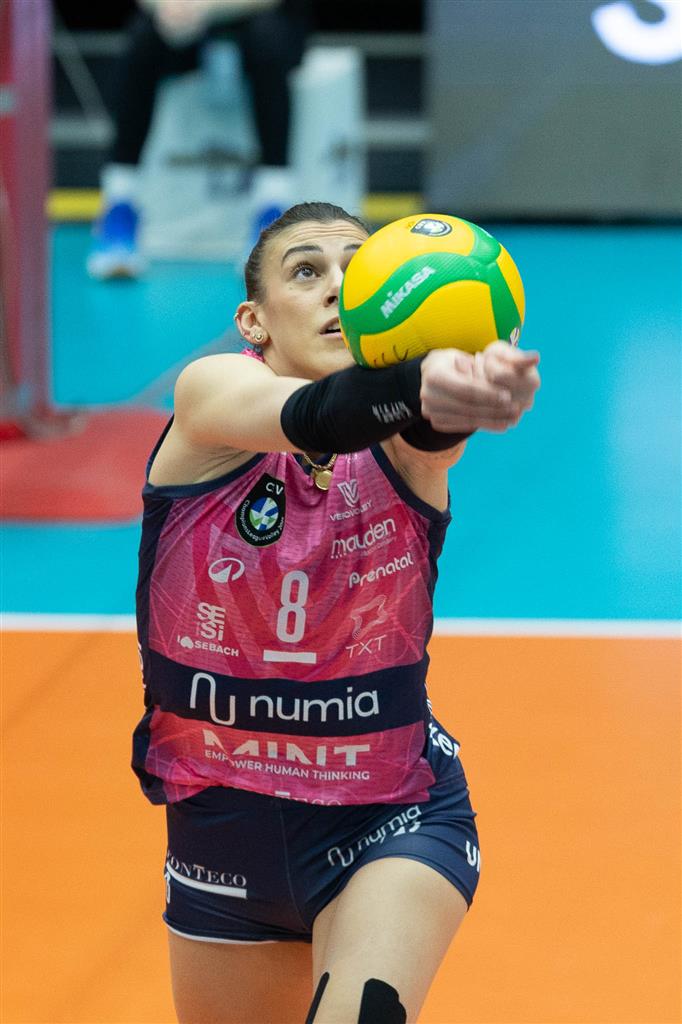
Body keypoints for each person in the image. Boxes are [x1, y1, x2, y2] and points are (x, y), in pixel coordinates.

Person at [132, 202, 541, 1023]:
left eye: (357, 269)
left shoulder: (402, 442)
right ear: (254, 321)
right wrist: (417, 382)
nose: (335, 287)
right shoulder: (210, 395)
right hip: (221, 832)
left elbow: (421, 427)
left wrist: (456, 394)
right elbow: (314, 414)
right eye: (306, 270)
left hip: (391, 818)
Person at [88, 0, 311, 280]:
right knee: (143, 36)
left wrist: (204, 9)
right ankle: (120, 205)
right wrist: (166, 8)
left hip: (257, 20)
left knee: (267, 38)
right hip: (185, 24)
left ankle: (273, 209)